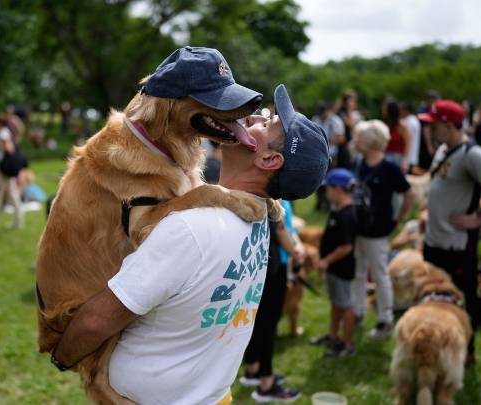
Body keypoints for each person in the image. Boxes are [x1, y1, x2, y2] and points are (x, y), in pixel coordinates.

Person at [51, 82, 329, 405]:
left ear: (269, 159)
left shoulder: (191, 229)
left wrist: (63, 355)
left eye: (266, 124)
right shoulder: (258, 219)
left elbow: (97, 320)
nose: (252, 118)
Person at [418, 99, 481, 364]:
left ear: (447, 125)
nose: (430, 129)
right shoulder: (444, 149)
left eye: (433, 124)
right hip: (435, 241)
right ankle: (438, 346)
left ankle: (465, 353)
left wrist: (478, 219)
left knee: (462, 299)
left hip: (456, 246)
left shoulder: (473, 154)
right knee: (434, 297)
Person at [350, 120, 414, 338]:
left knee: (379, 274)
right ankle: (358, 311)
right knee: (357, 272)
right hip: (357, 227)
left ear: (371, 142)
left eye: (359, 138)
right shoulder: (359, 163)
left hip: (378, 230)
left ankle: (385, 319)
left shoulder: (389, 168)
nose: (356, 142)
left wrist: (399, 219)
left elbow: (408, 193)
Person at [240, 212, 304, 403]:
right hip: (274, 263)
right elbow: (281, 229)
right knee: (268, 323)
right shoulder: (273, 194)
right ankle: (266, 384)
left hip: (255, 262)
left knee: (255, 318)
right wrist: (295, 252)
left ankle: (253, 369)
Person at [310, 168, 357, 357]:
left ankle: (347, 344)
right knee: (337, 303)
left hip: (342, 268)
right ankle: (332, 335)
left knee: (346, 305)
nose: (326, 193)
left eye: (328, 189)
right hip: (334, 269)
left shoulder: (347, 215)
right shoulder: (338, 210)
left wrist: (326, 261)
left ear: (338, 189)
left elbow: (347, 247)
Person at [336, 90, 364, 169]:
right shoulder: (341, 114)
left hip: (355, 146)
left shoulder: (356, 114)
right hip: (344, 147)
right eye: (351, 101)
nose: (354, 103)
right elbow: (351, 125)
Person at [383, 98, 412, 173]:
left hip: (397, 159)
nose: (383, 110)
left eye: (385, 108)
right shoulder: (385, 125)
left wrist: (405, 161)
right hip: (385, 157)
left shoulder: (402, 126)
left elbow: (408, 144)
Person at [400, 102, 421, 173]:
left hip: (407, 158)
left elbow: (406, 140)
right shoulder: (415, 120)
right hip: (413, 157)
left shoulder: (406, 122)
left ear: (406, 110)